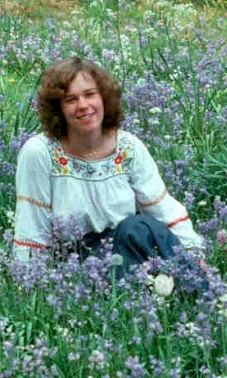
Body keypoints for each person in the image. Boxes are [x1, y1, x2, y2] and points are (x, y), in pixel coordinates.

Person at [11, 57, 205, 271]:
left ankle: (193, 283)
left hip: (127, 249)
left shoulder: (128, 147)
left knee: (139, 228)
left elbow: (163, 208)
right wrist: (30, 281)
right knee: (137, 232)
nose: (83, 106)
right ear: (59, 109)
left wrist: (194, 254)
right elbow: (31, 223)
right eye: (71, 100)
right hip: (74, 265)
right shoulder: (40, 152)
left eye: (90, 94)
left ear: (104, 98)